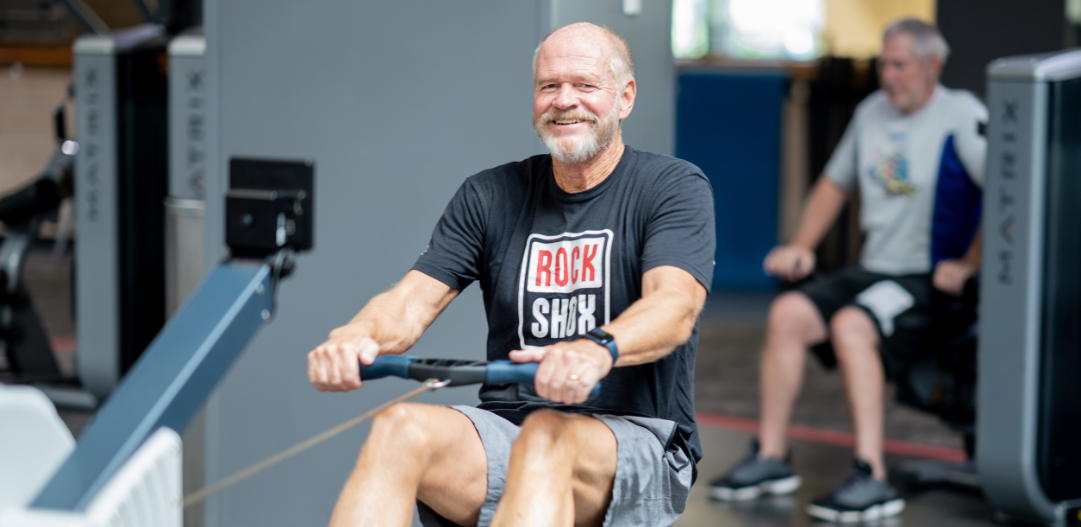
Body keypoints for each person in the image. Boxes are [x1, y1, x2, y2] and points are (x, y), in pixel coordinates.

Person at [307, 23, 715, 527]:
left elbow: (673, 306)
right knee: (399, 426)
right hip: (509, 429)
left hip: (640, 438)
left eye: (585, 85)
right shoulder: (491, 194)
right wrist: (356, 336)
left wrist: (596, 349)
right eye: (549, 87)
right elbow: (411, 301)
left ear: (625, 97)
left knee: (547, 438)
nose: (565, 101)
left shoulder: (671, 187)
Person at [708, 18, 986, 523]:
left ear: (933, 66)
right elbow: (834, 185)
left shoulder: (962, 116)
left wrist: (968, 263)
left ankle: (872, 473)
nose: (889, 75)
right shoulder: (871, 113)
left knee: (851, 325)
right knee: (789, 313)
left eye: (900, 64)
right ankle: (771, 457)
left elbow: (1006, 193)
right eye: (884, 63)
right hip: (875, 269)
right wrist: (801, 245)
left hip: (925, 278)